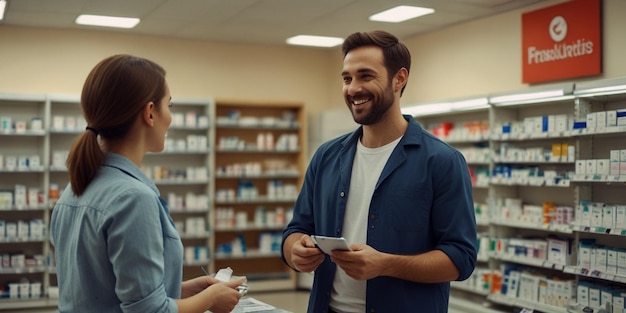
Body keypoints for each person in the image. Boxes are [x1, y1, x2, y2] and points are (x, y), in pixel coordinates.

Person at [281, 31, 477, 313]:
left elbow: (461, 258)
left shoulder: (442, 162)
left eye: (365, 76)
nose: (352, 88)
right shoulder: (326, 157)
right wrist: (294, 252)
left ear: (399, 79)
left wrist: (386, 264)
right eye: (347, 78)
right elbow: (296, 229)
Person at [50, 54, 245, 313]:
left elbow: (103, 291)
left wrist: (183, 290)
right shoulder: (132, 198)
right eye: (169, 106)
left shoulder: (76, 188)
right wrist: (210, 300)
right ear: (150, 113)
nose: (171, 118)